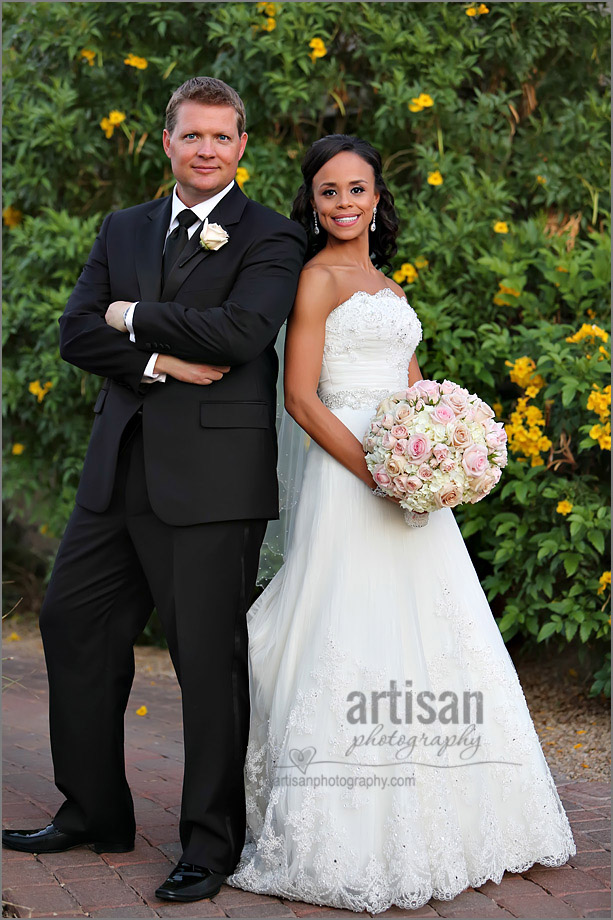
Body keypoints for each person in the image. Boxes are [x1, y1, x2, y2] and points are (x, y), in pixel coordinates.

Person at [227, 135, 576, 913]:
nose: (344, 202)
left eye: (357, 189)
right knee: (351, 627)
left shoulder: (386, 282)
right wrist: (379, 473)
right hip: (350, 472)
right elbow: (302, 398)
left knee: (432, 629)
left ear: (377, 198)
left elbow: (411, 382)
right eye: (327, 191)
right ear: (311, 203)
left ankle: (460, 816)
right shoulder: (314, 280)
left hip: (405, 472)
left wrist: (443, 448)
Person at [2, 76, 306, 904]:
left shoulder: (272, 236)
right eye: (191, 136)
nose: (206, 149)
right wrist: (160, 360)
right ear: (165, 142)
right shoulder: (124, 226)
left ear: (243, 147)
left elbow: (243, 333)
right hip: (117, 469)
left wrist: (129, 316)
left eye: (221, 137)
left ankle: (209, 847)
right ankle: (93, 810)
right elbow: (73, 329)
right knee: (72, 623)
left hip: (211, 485)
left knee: (207, 663)